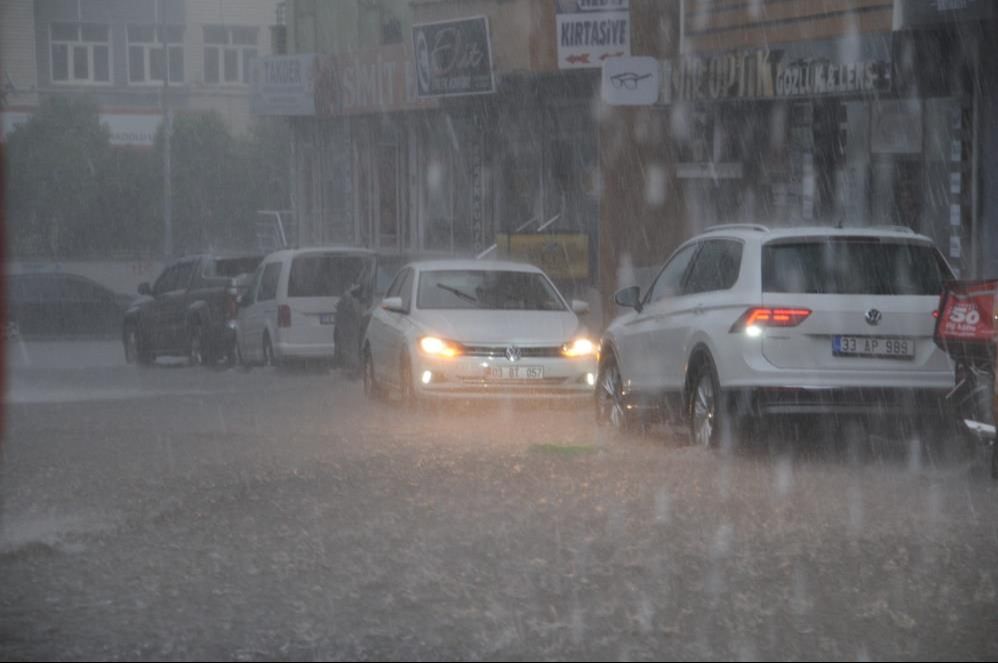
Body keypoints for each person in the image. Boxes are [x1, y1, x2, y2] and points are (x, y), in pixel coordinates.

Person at [333, 282, 362, 379]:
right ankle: (352, 370)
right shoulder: (348, 298)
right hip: (350, 329)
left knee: (349, 348)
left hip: (349, 329)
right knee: (350, 348)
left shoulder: (346, 298)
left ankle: (352, 370)